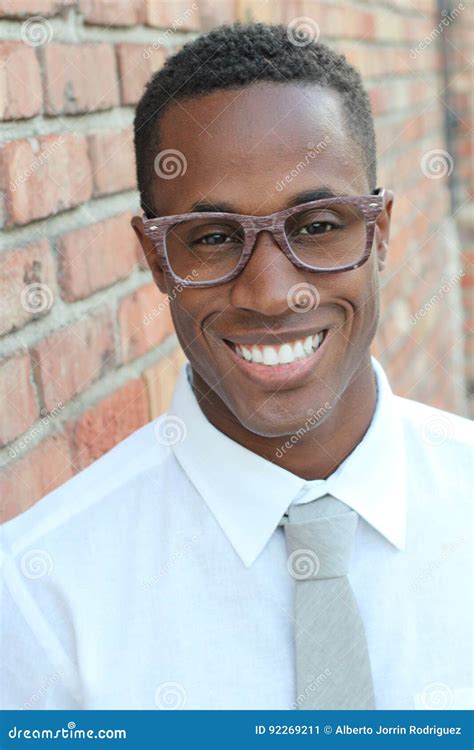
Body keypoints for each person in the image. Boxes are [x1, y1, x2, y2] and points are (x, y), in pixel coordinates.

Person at [1, 22, 472, 711]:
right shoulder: (41, 597)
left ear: (381, 232)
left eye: (317, 225)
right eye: (214, 239)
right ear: (157, 257)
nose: (273, 294)